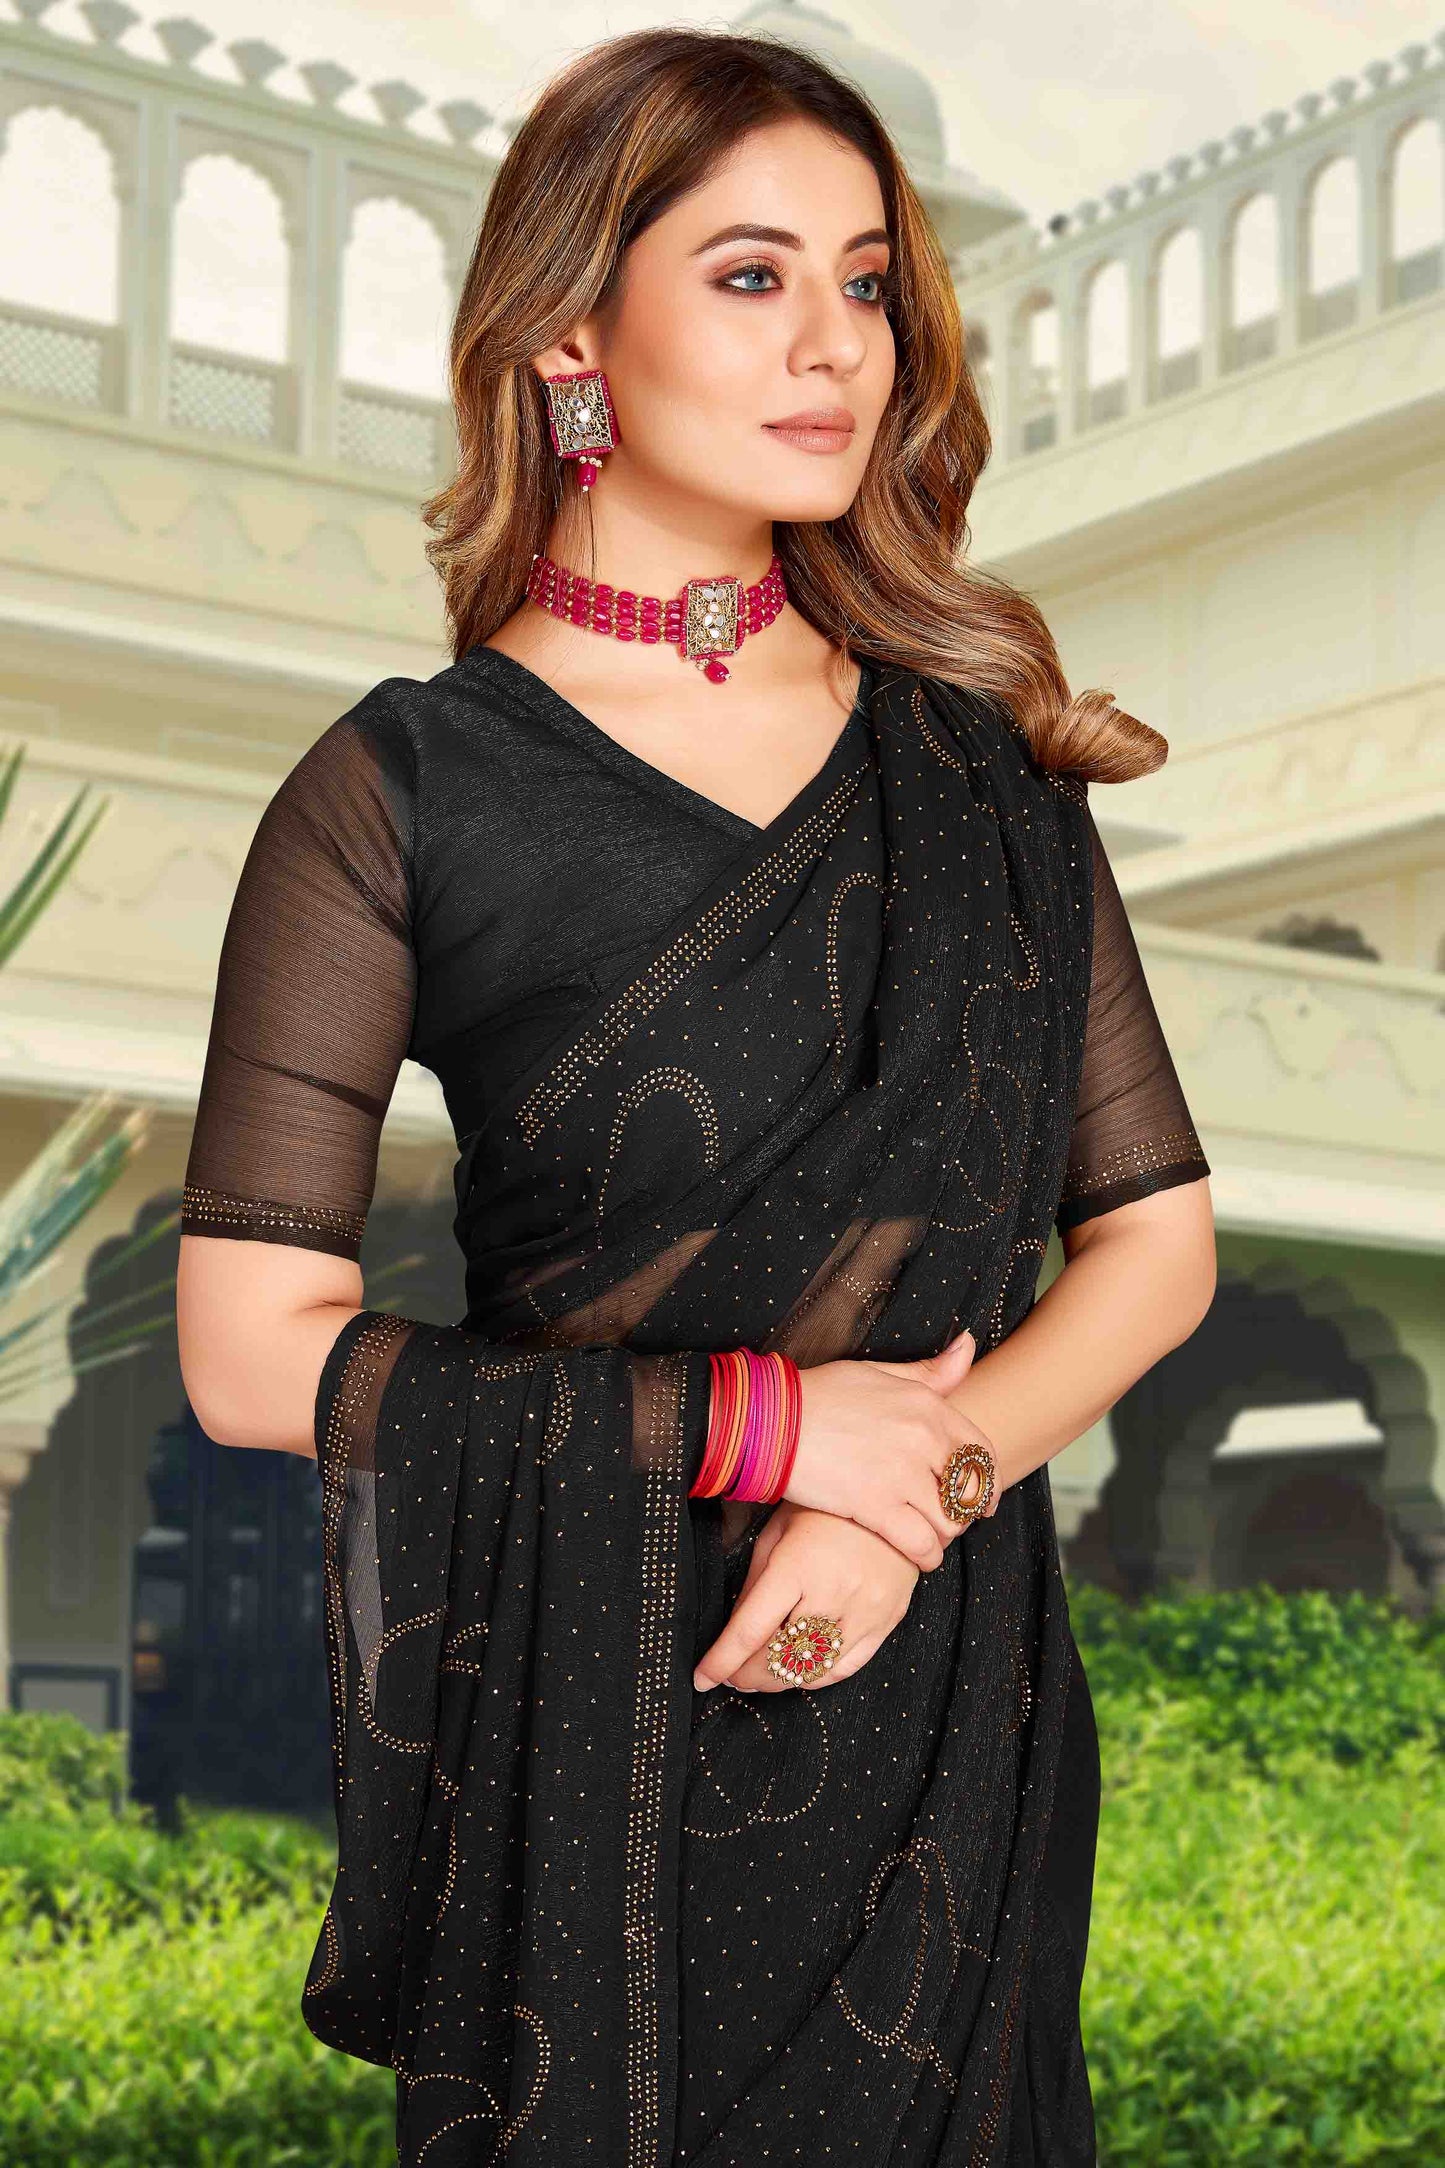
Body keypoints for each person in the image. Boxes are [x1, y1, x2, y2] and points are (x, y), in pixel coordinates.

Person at [175, 26, 1215, 2167]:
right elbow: (245, 1350)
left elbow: (1154, 1241)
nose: (836, 345)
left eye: (866, 282)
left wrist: (905, 1492)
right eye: (753, 276)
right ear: (573, 330)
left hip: (943, 1693)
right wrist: (773, 1431)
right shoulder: (400, 792)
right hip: (590, 1724)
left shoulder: (979, 768)